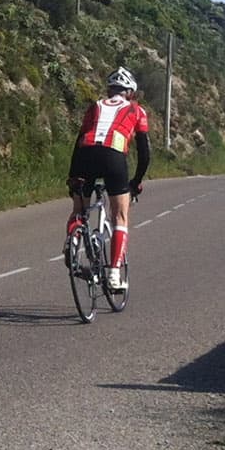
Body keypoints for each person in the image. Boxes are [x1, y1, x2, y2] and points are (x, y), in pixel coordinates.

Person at [65, 66, 150, 291]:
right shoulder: (137, 110)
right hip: (113, 155)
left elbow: (78, 141)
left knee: (78, 210)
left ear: (110, 89)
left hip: (85, 154)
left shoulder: (95, 106)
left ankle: (73, 246)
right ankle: (113, 274)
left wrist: (73, 176)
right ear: (130, 92)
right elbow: (144, 153)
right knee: (120, 216)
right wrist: (136, 181)